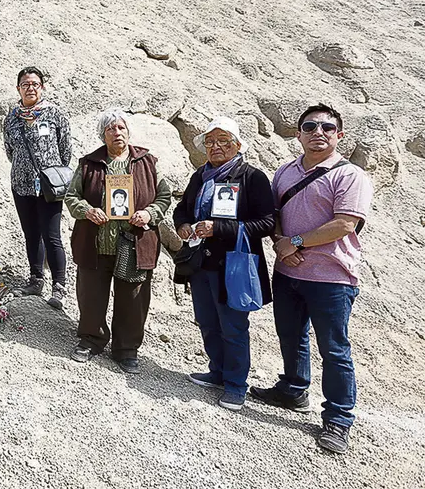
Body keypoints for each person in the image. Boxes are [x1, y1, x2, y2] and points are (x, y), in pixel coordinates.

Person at [250, 104, 372, 455]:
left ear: (339, 135)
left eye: (327, 127)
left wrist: (296, 242)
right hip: (288, 270)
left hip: (332, 276)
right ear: (299, 133)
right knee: (291, 335)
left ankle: (338, 418)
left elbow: (345, 223)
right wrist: (280, 244)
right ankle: (293, 388)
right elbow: (272, 215)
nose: (318, 132)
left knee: (334, 349)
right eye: (310, 126)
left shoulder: (350, 176)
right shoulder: (285, 172)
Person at [172, 117, 275, 411]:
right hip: (201, 262)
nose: (215, 147)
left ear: (238, 145)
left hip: (233, 264)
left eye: (223, 141)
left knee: (233, 325)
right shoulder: (200, 176)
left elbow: (267, 222)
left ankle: (235, 384)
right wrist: (183, 225)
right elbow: (182, 208)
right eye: (210, 141)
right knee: (207, 320)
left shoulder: (252, 178)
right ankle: (217, 371)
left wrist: (219, 228)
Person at [63, 108, 172, 373]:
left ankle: (126, 349)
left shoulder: (148, 162)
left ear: (128, 131)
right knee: (91, 295)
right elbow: (71, 196)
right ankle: (91, 339)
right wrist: (88, 210)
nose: (116, 133)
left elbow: (164, 197)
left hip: (135, 242)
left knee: (133, 299)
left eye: (121, 128)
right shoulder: (89, 163)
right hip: (97, 242)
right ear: (103, 135)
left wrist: (149, 213)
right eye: (110, 129)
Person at [2, 66, 71, 309]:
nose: (30, 88)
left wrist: (53, 173)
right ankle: (36, 279)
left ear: (42, 87)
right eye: (25, 84)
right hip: (21, 184)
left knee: (51, 236)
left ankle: (59, 286)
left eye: (34, 84)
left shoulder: (54, 114)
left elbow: (66, 149)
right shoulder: (10, 118)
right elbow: (10, 151)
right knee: (31, 234)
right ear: (18, 88)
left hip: (49, 185)